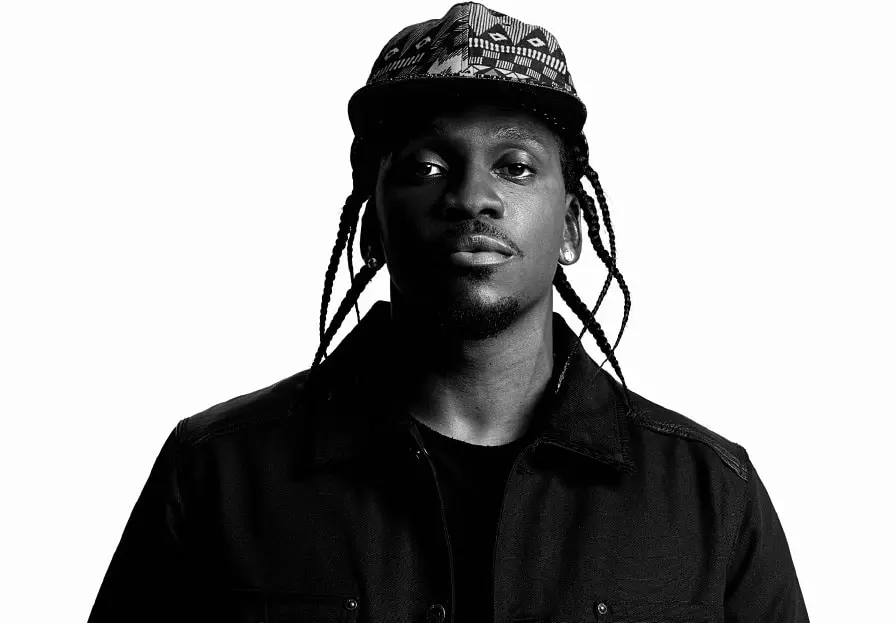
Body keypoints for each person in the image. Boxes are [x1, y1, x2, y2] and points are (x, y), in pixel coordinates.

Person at [88, 3, 809, 621]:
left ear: (571, 228)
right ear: (373, 226)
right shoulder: (216, 475)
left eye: (515, 166)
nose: (472, 198)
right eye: (426, 168)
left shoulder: (711, 495)